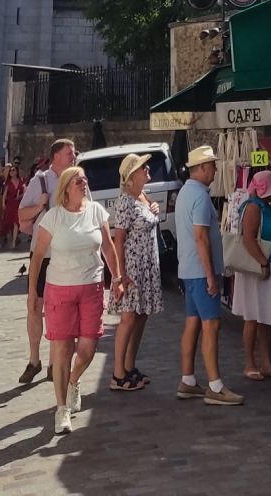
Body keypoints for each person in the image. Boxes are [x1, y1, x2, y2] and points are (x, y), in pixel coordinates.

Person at [29, 166, 125, 437]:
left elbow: (108, 247)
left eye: (84, 179)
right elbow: (37, 257)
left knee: (87, 349)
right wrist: (32, 293)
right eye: (77, 180)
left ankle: (73, 381)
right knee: (62, 350)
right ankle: (61, 409)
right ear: (66, 188)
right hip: (59, 289)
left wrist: (117, 278)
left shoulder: (96, 211)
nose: (83, 183)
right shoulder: (53, 217)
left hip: (91, 287)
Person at [173, 144, 243, 405]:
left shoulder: (185, 192)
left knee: (193, 323)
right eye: (212, 165)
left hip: (188, 269)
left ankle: (188, 380)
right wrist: (211, 275)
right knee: (211, 325)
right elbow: (200, 237)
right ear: (201, 168)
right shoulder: (200, 197)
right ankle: (215, 386)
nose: (215, 170)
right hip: (201, 271)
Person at [16, 138, 77, 385]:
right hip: (42, 254)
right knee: (35, 306)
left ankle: (54, 363)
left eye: (74, 153)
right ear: (56, 156)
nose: (74, 156)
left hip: (66, 254)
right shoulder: (40, 181)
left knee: (59, 308)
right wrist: (40, 204)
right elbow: (21, 214)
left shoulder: (77, 180)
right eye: (69, 153)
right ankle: (34, 360)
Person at [108, 153, 163, 391]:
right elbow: (118, 239)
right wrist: (120, 275)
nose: (147, 169)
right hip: (133, 267)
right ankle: (118, 373)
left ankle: (129, 366)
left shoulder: (142, 196)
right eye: (143, 167)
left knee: (141, 315)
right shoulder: (125, 201)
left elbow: (147, 218)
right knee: (128, 317)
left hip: (146, 266)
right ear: (131, 175)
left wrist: (154, 208)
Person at [233, 169, 271, 381]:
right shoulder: (253, 207)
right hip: (257, 267)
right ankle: (250, 363)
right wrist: (263, 262)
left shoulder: (265, 207)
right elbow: (248, 238)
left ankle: (266, 363)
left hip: (269, 265)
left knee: (265, 317)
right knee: (252, 316)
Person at [1, 163, 25, 250]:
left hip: (18, 204)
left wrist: (20, 196)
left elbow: (25, 192)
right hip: (10, 204)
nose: (11, 172)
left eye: (13, 170)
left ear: (17, 172)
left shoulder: (21, 181)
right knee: (9, 223)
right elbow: (4, 194)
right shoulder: (8, 182)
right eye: (10, 170)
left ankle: (14, 242)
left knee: (16, 222)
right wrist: (3, 204)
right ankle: (12, 240)